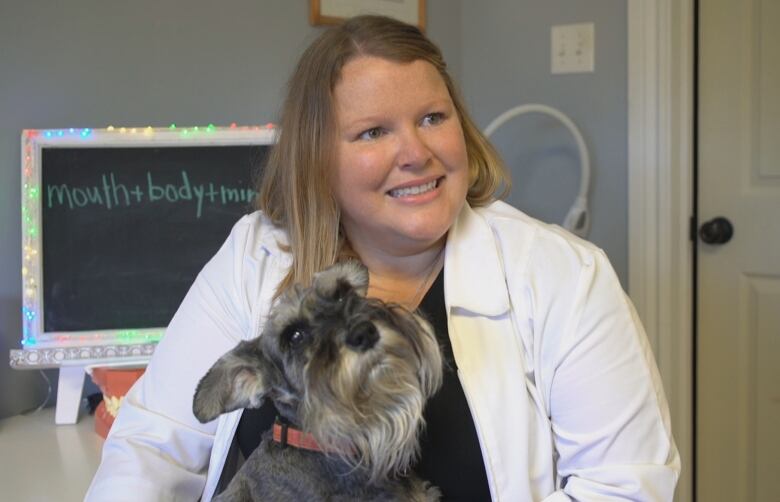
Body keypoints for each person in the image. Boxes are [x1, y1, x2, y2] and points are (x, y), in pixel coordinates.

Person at [87, 15, 680, 501]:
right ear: (319, 158)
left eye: (432, 118)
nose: (416, 152)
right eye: (372, 132)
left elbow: (626, 488)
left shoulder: (563, 277)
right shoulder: (255, 254)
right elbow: (153, 446)